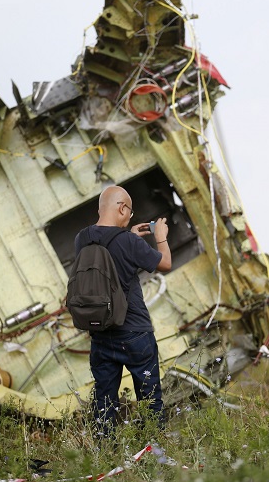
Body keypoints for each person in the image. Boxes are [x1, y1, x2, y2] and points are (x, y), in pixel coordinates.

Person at [74, 185, 172, 437]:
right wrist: (160, 236)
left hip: (100, 334)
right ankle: (156, 452)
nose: (130, 216)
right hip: (134, 334)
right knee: (150, 400)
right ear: (122, 208)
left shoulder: (81, 238)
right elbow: (165, 264)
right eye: (129, 212)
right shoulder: (127, 241)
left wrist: (130, 236)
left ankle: (105, 453)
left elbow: (107, 255)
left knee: (103, 404)